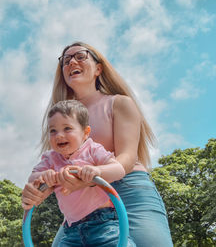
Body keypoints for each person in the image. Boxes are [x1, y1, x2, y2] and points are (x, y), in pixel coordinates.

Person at [21, 42, 173, 247]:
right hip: (86, 207)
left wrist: (92, 176)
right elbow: (55, 167)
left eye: (80, 56)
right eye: (65, 60)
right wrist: (38, 189)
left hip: (128, 191)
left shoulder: (119, 103)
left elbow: (126, 159)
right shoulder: (59, 116)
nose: (71, 61)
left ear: (98, 69)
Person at [25, 99, 135, 246]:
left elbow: (118, 170)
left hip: (104, 224)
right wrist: (43, 176)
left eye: (67, 128)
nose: (59, 135)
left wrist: (97, 171)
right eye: (53, 130)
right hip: (71, 231)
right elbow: (32, 178)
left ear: (85, 133)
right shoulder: (50, 158)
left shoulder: (92, 150)